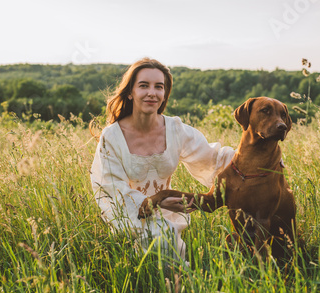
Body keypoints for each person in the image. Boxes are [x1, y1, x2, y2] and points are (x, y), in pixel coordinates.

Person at [90, 58, 234, 262]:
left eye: (159, 86)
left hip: (170, 215)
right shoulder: (112, 136)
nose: (152, 92)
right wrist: (156, 203)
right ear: (130, 92)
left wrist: (257, 159)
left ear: (165, 93)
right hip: (131, 218)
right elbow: (111, 188)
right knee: (161, 240)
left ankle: (181, 287)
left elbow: (213, 158)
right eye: (143, 86)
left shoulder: (175, 129)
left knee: (165, 238)